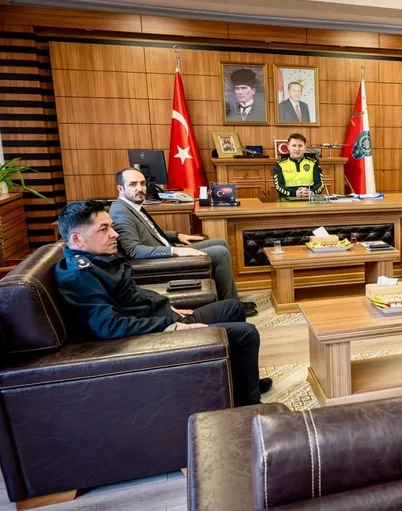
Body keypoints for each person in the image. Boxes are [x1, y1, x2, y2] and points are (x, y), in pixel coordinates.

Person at [53, 200, 272, 406]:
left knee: (233, 307)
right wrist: (170, 326)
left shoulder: (99, 259)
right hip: (153, 335)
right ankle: (249, 404)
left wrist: (165, 304)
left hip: (159, 318)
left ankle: (243, 384)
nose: (115, 234)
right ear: (77, 239)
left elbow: (132, 293)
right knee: (246, 333)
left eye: (111, 226)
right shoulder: (79, 276)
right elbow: (109, 326)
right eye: (104, 229)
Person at [109, 168, 257, 316]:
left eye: (142, 183)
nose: (140, 188)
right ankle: (231, 307)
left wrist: (177, 235)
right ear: (120, 189)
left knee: (221, 242)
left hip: (166, 248)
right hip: (159, 260)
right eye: (133, 184)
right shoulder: (121, 212)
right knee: (220, 253)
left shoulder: (131, 206)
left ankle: (229, 299)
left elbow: (151, 232)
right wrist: (175, 251)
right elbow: (134, 250)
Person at [272, 133, 324, 198]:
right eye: (294, 145)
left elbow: (320, 184)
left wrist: (311, 192)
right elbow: (279, 186)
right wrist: (295, 193)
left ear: (305, 147)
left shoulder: (313, 164)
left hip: (310, 200)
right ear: (288, 147)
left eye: (300, 146)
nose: (297, 149)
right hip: (287, 201)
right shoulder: (280, 165)